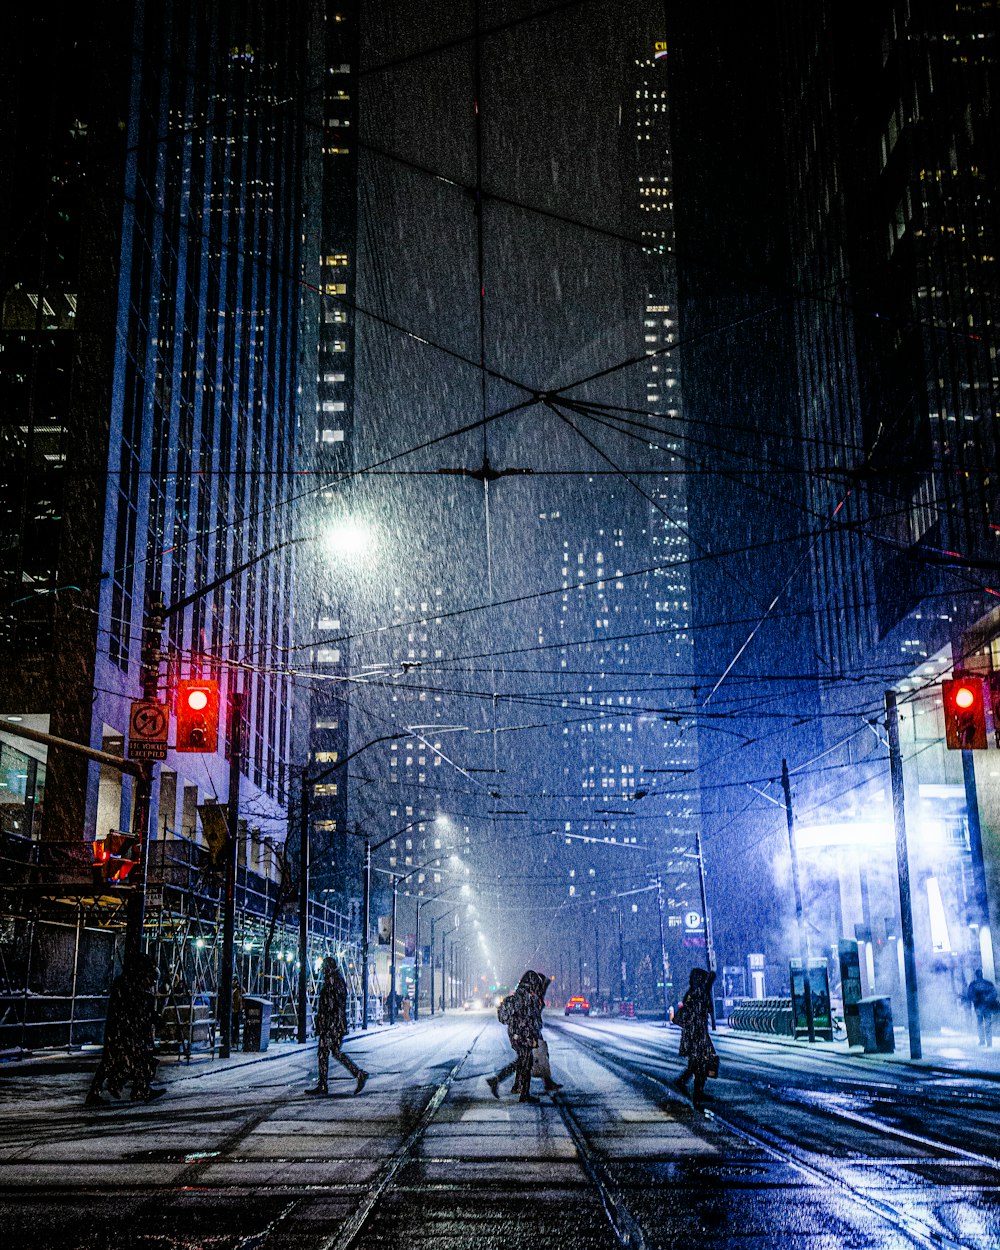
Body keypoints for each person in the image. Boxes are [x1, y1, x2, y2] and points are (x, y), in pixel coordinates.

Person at [86, 953, 163, 1106]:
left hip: (121, 1031)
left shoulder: (126, 984)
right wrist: (152, 1019)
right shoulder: (133, 988)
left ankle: (104, 1090)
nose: (151, 984)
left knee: (113, 1061)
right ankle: (137, 1088)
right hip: (126, 1032)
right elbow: (138, 1012)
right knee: (138, 1060)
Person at [487, 970, 556, 1103]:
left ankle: (513, 1086)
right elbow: (534, 1015)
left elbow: (507, 1017)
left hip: (516, 1034)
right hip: (523, 1034)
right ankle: (516, 1090)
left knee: (523, 1061)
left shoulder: (517, 996)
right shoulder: (527, 997)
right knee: (525, 1061)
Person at [306, 957, 368, 1095]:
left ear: (329, 967)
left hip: (332, 1025)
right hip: (333, 1024)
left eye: (324, 966)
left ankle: (356, 1075)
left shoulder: (333, 981)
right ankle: (354, 1075)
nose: (322, 969)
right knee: (331, 1052)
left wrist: (326, 1023)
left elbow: (331, 1005)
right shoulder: (334, 980)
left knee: (327, 1052)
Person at [673, 967, 718, 1108]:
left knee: (697, 1063)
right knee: (700, 1063)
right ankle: (695, 1091)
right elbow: (704, 1009)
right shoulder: (698, 993)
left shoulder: (692, 993)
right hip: (697, 1033)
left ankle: (691, 1087)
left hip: (694, 1033)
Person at [965, 967, 998, 1048]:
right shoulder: (988, 983)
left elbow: (970, 995)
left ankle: (982, 1040)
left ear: (976, 975)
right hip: (987, 1007)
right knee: (988, 1023)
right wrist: (988, 1000)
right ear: (982, 974)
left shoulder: (973, 984)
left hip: (978, 1007)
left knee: (980, 1023)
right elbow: (994, 993)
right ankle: (989, 1042)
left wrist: (975, 1000)